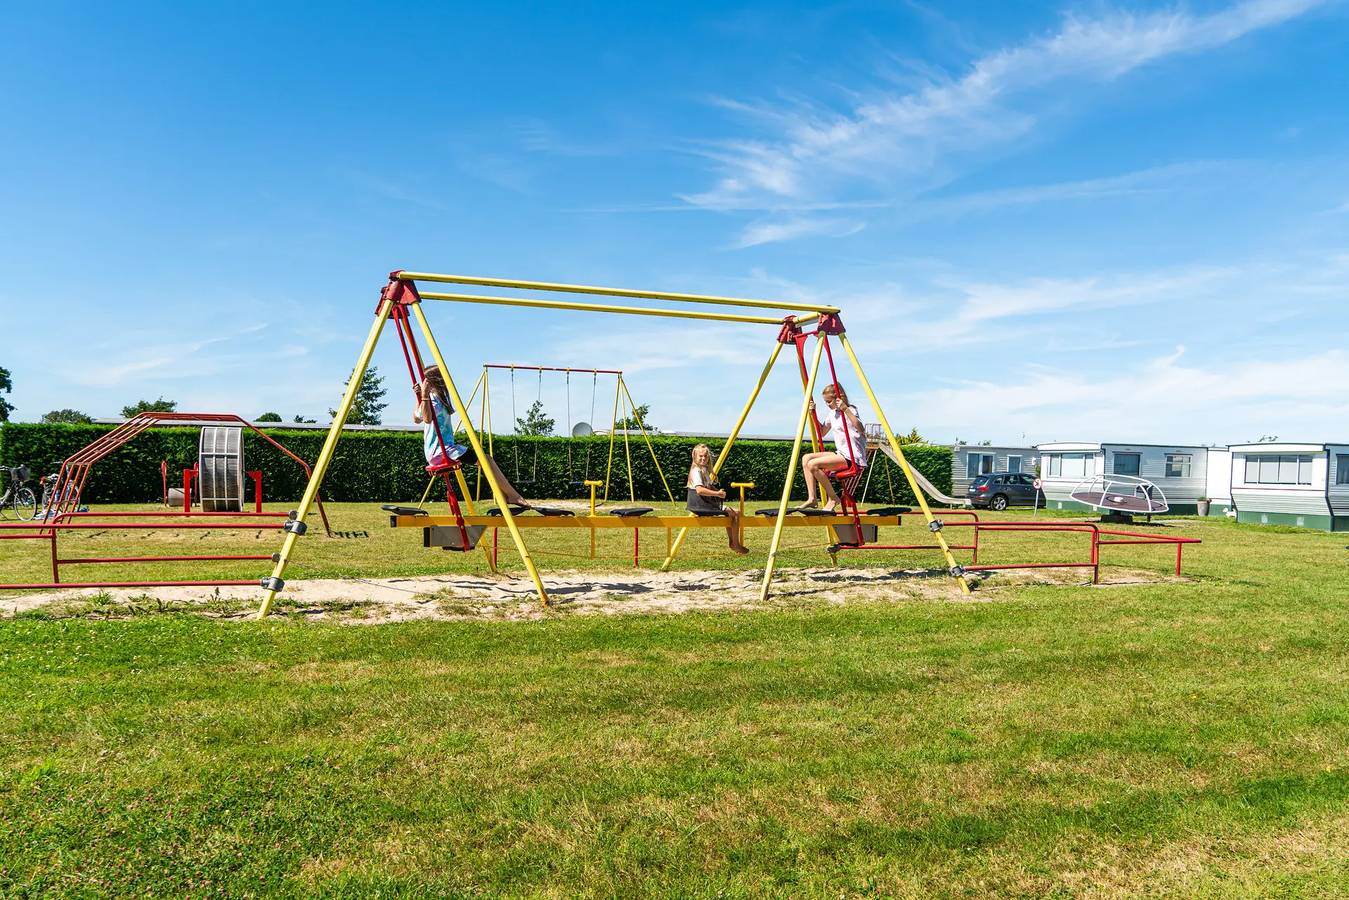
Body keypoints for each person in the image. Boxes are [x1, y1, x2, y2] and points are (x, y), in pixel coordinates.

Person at [413, 365, 532, 509]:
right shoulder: (433, 400)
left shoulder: (437, 398)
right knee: (486, 459)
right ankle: (513, 496)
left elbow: (417, 417)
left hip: (441, 450)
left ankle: (507, 494)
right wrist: (421, 396)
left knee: (485, 460)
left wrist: (421, 396)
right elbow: (424, 419)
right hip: (442, 451)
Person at [799, 383, 867, 512]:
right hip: (841, 453)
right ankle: (812, 499)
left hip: (853, 457)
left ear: (838, 398)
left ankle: (833, 498)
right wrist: (813, 414)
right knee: (806, 458)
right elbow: (822, 432)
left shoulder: (851, 410)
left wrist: (845, 409)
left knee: (813, 465)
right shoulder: (832, 414)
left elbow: (861, 428)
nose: (828, 405)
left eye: (829, 401)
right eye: (825, 402)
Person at [687, 443, 749, 555]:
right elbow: (700, 490)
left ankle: (733, 542)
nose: (703, 458)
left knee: (732, 513)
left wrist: (716, 490)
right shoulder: (696, 471)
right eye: (700, 456)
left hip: (701, 504)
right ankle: (735, 543)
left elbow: (707, 486)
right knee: (736, 513)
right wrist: (717, 493)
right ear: (694, 457)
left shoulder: (703, 470)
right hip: (700, 505)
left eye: (705, 456)